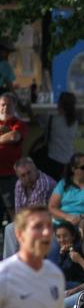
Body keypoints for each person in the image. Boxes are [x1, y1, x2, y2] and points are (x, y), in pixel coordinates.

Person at [3, 158, 55, 259]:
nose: (27, 177)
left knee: (27, 230)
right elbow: (19, 212)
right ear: (18, 176)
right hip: (31, 220)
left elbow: (36, 214)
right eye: (23, 175)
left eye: (29, 173)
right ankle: (9, 265)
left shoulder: (43, 183)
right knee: (9, 228)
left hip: (49, 222)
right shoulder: (19, 183)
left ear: (35, 169)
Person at [36, 92, 78, 181]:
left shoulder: (52, 118)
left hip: (53, 159)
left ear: (60, 104)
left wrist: (28, 109)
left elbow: (37, 120)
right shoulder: (74, 122)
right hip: (69, 160)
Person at [0, 92, 27, 226]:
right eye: (3, 105)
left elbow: (14, 137)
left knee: (13, 212)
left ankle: (16, 244)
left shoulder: (18, 123)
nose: (5, 108)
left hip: (10, 176)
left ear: (14, 106)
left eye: (9, 105)